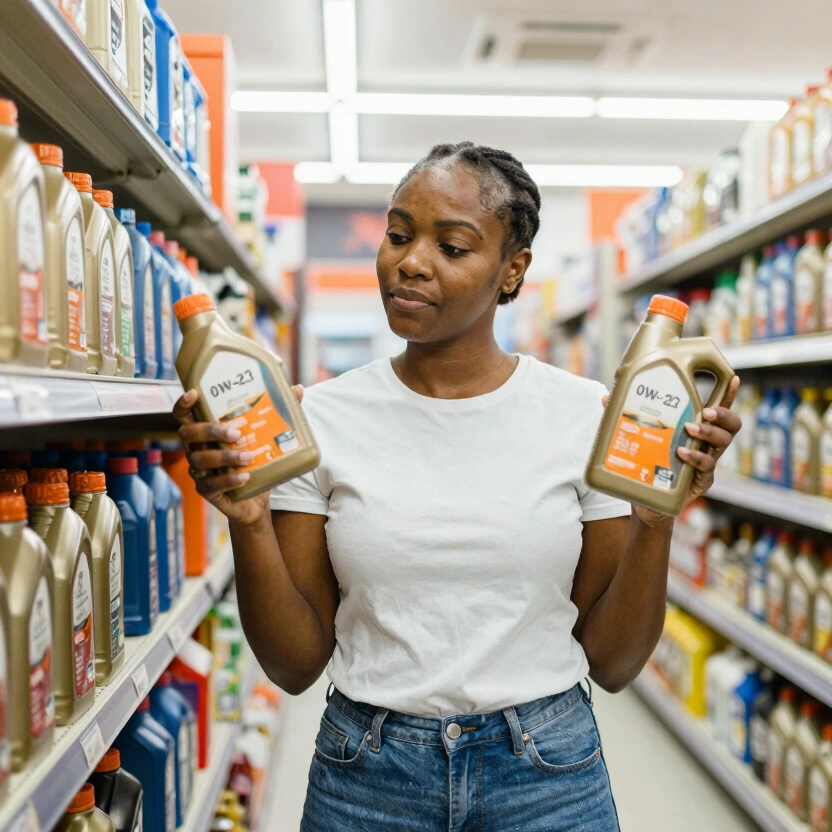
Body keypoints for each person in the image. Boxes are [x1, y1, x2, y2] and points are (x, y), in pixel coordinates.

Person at [173, 141, 741, 831]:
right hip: (366, 779)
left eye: (454, 245)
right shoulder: (321, 417)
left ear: (512, 271)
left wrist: (657, 517)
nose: (410, 261)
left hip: (548, 777)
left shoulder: (586, 416)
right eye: (399, 235)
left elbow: (614, 662)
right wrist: (248, 519)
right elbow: (294, 666)